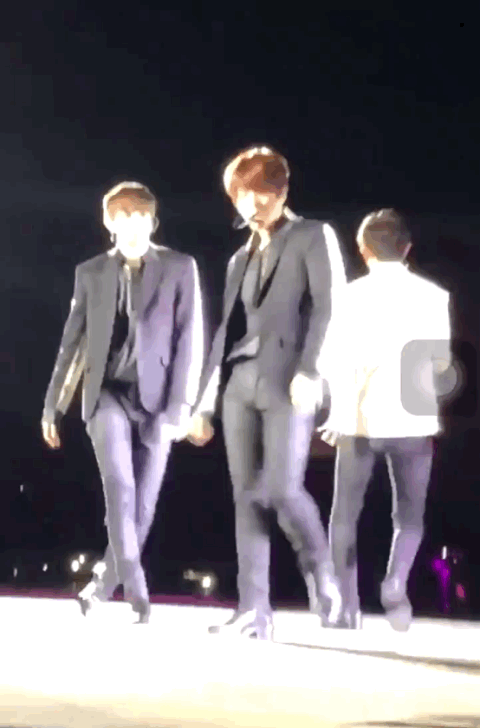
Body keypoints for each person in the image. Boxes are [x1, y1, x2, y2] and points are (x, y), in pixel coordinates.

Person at [188, 145, 347, 639]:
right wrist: (203, 403)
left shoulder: (312, 235)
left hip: (289, 379)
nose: (252, 202)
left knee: (280, 488)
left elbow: (331, 306)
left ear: (281, 191)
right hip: (240, 382)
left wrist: (312, 370)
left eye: (262, 191)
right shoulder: (239, 258)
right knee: (245, 496)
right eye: (242, 193)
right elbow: (224, 332)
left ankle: (321, 571)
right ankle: (254, 609)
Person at [41, 181, 204, 623]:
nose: (132, 225)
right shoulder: (90, 272)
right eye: (123, 217)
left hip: (159, 400)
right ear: (109, 223)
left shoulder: (180, 267)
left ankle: (102, 585)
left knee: (143, 507)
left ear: (153, 222)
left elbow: (190, 339)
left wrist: (181, 407)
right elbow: (71, 342)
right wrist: (53, 405)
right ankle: (136, 586)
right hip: (105, 394)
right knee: (121, 488)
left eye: (140, 216)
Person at [319, 209, 452, 631]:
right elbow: (440, 362)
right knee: (409, 516)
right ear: (407, 248)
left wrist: (337, 410)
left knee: (345, 515)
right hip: (414, 416)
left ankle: (346, 608)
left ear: (362, 250)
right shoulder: (434, 296)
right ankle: (395, 582)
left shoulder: (349, 295)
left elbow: (330, 360)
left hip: (359, 418)